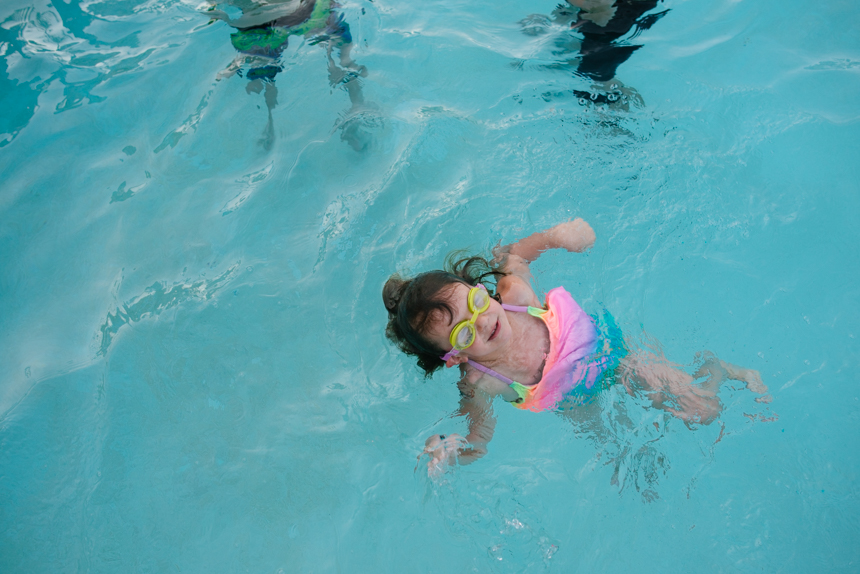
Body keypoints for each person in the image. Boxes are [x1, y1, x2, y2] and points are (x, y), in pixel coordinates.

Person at [382, 219, 769, 475]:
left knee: (701, 409)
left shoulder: (515, 294)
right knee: (622, 459)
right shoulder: (482, 382)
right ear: (456, 359)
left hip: (616, 355)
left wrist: (556, 238)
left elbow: (515, 256)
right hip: (577, 402)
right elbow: (479, 437)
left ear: (481, 290)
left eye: (477, 303)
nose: (483, 320)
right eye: (465, 334)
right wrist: (449, 448)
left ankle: (718, 369)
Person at [200, 0, 376, 150]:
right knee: (342, 57)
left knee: (264, 72)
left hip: (262, 25)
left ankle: (270, 124)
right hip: (309, 10)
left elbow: (212, 12)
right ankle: (357, 104)